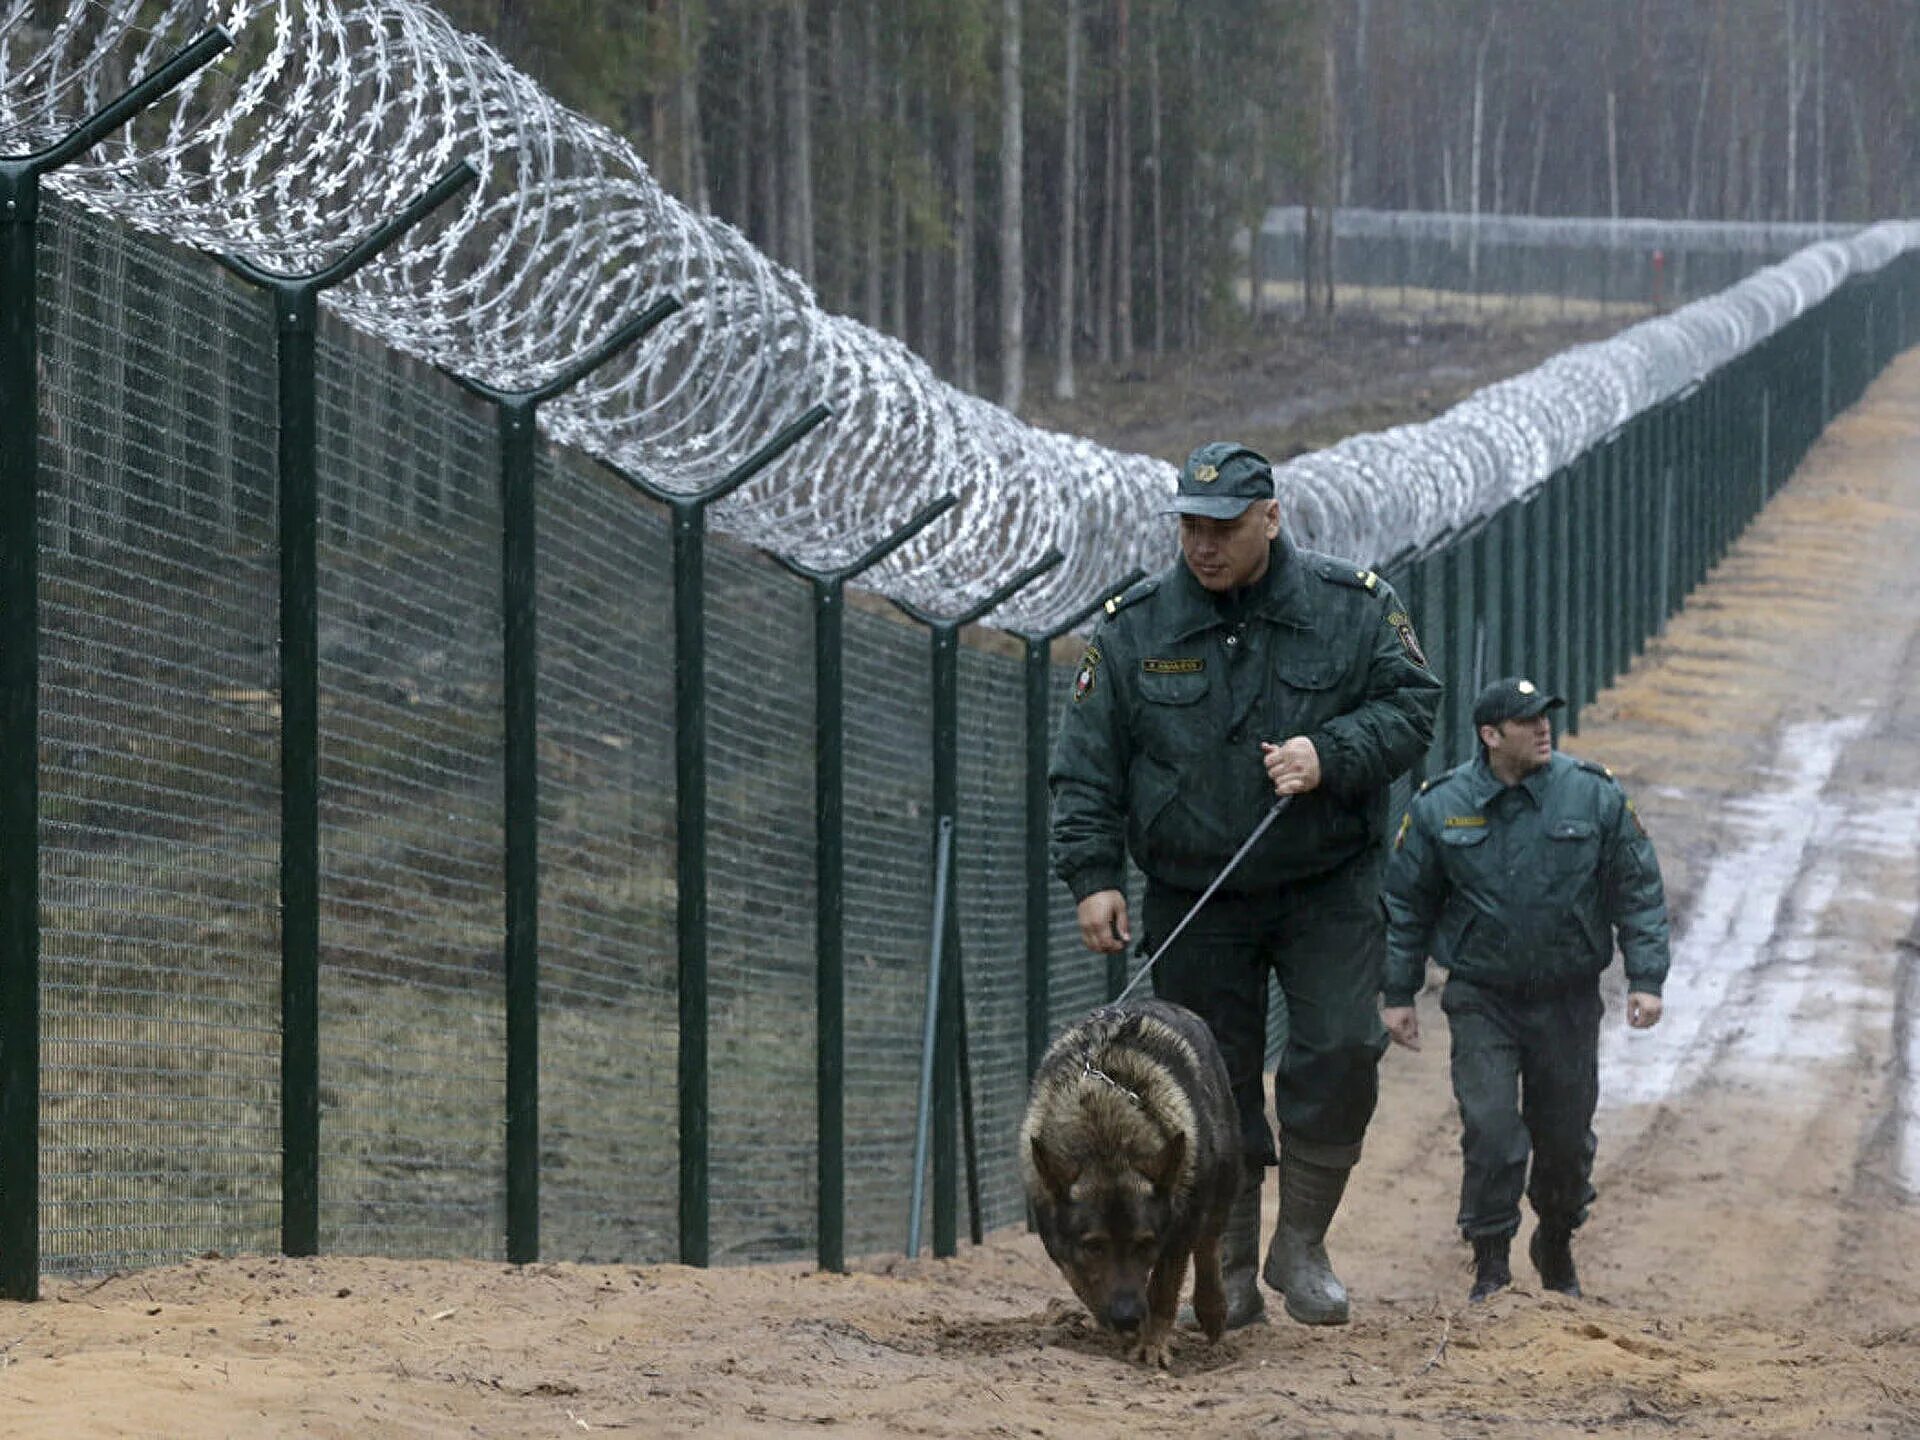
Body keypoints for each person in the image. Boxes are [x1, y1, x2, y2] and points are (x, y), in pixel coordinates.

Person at [1050, 441, 1442, 1328]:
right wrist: (1092, 875)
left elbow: (1413, 706)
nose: (1204, 545)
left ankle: (1302, 1242)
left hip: (1325, 882)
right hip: (1194, 894)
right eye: (1191, 525)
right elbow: (1086, 765)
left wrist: (1328, 752)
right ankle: (1223, 1263)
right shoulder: (1133, 628)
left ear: (1271, 518)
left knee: (1342, 1049)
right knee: (1206, 1085)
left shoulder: (1354, 609)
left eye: (1224, 526)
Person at [1380, 676, 1671, 1303]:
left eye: (1545, 718)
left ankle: (1556, 1239)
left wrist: (1647, 979)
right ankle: (1491, 1263)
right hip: (1483, 998)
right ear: (1490, 735)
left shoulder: (1591, 795)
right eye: (1526, 721)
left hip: (1566, 998)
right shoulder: (1440, 807)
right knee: (1490, 1129)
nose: (1543, 729)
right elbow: (1407, 905)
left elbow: (1637, 889)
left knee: (1564, 1139)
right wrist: (1398, 993)